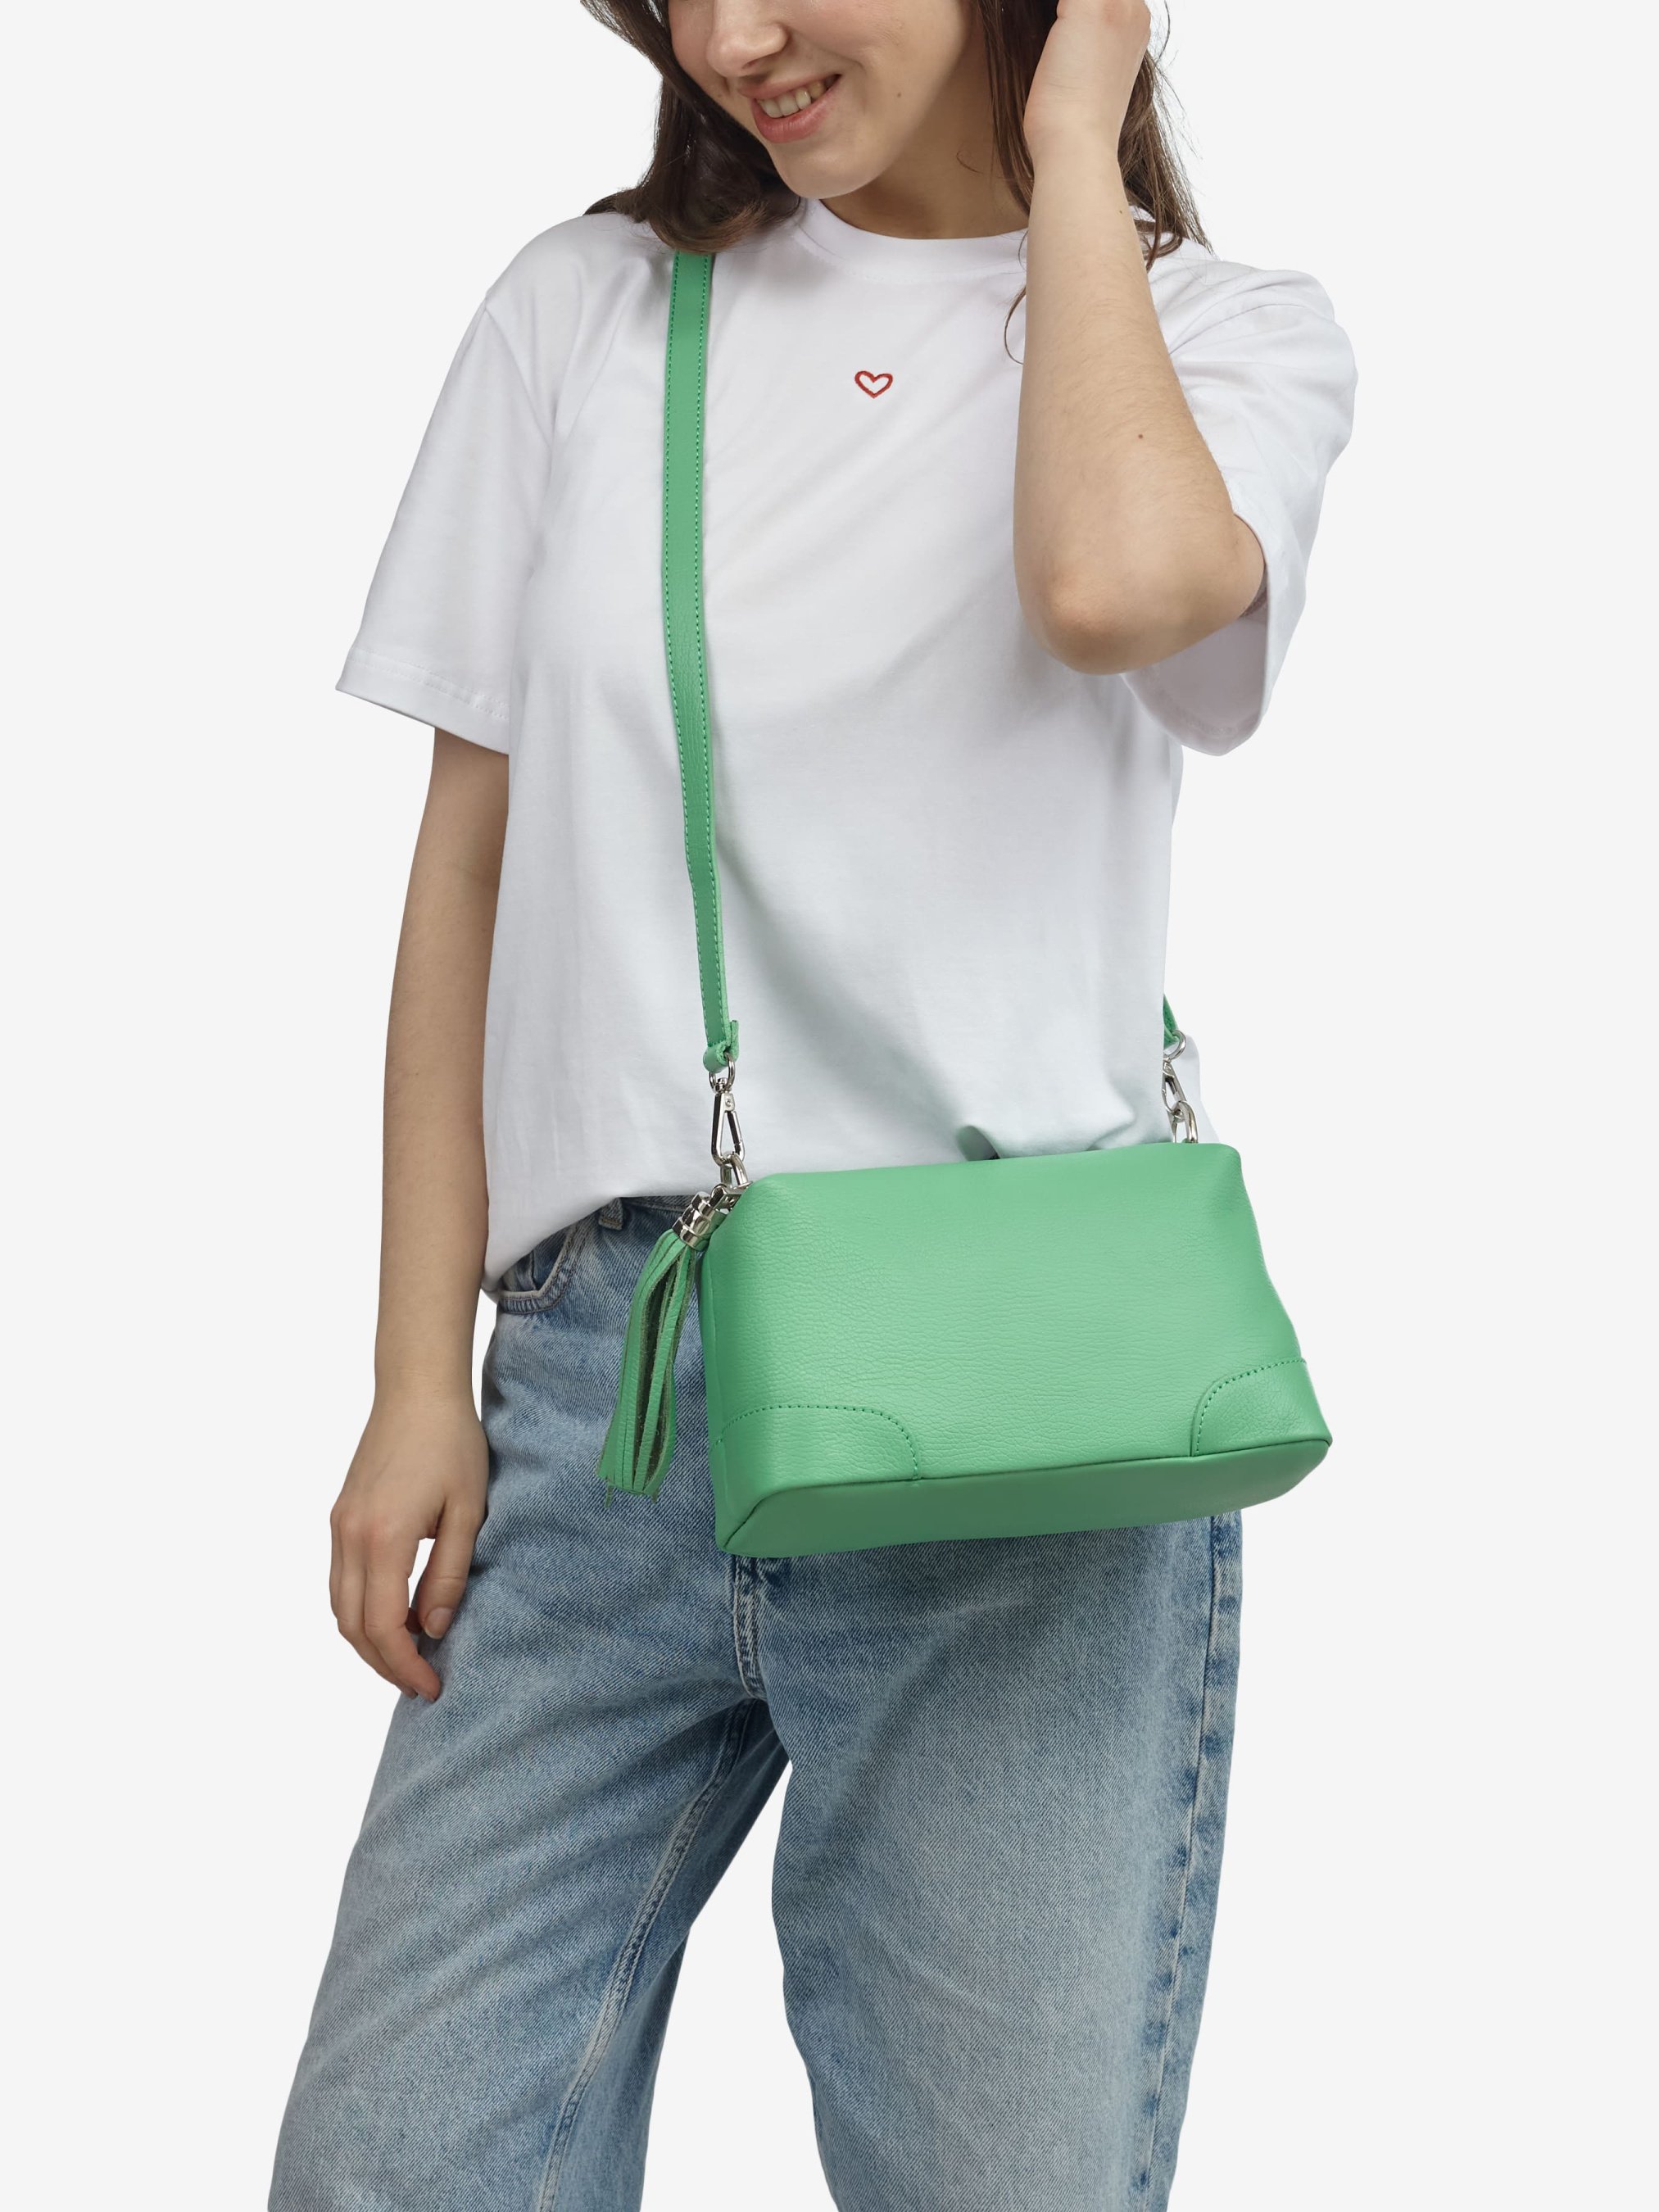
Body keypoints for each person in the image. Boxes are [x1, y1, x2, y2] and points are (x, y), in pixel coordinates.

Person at [269, 2, 1356, 2205]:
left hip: (1021, 1445)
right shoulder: (584, 314)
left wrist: (1074, 139)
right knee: (395, 2161)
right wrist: (410, 1380)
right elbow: (467, 872)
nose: (733, 36)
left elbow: (1113, 590)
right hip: (604, 1399)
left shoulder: (1220, 337)